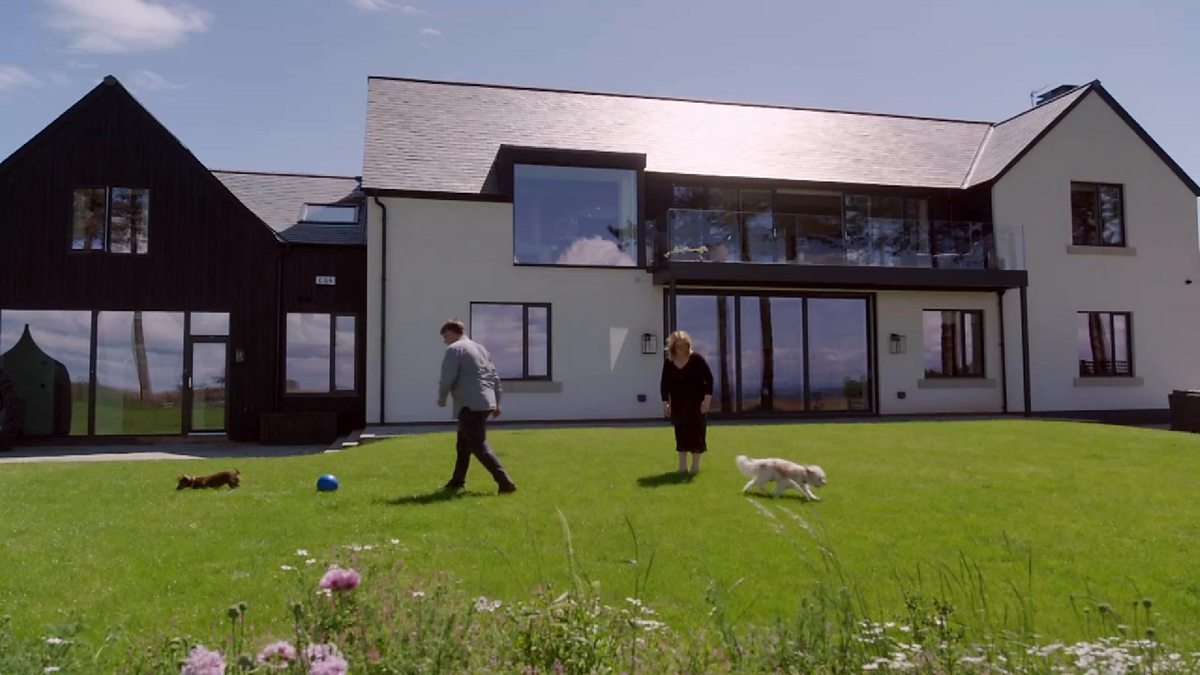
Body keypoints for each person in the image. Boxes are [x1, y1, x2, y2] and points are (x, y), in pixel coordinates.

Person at [436, 319, 517, 494]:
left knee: (478, 445)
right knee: (463, 445)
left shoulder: (455, 349)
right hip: (485, 402)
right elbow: (494, 377)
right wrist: (497, 402)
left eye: (445, 336)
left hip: (469, 404)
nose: (445, 341)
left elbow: (447, 377)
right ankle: (457, 481)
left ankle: (505, 482)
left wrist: (442, 397)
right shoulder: (481, 349)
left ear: (453, 332)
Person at [659, 330, 714, 474]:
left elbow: (709, 379)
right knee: (681, 433)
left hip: (696, 404)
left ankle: (695, 466)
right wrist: (665, 402)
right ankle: (682, 466)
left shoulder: (697, 360)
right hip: (678, 405)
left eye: (685, 345)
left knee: (697, 433)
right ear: (673, 347)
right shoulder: (669, 363)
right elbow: (664, 384)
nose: (682, 348)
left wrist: (707, 400)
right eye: (679, 346)